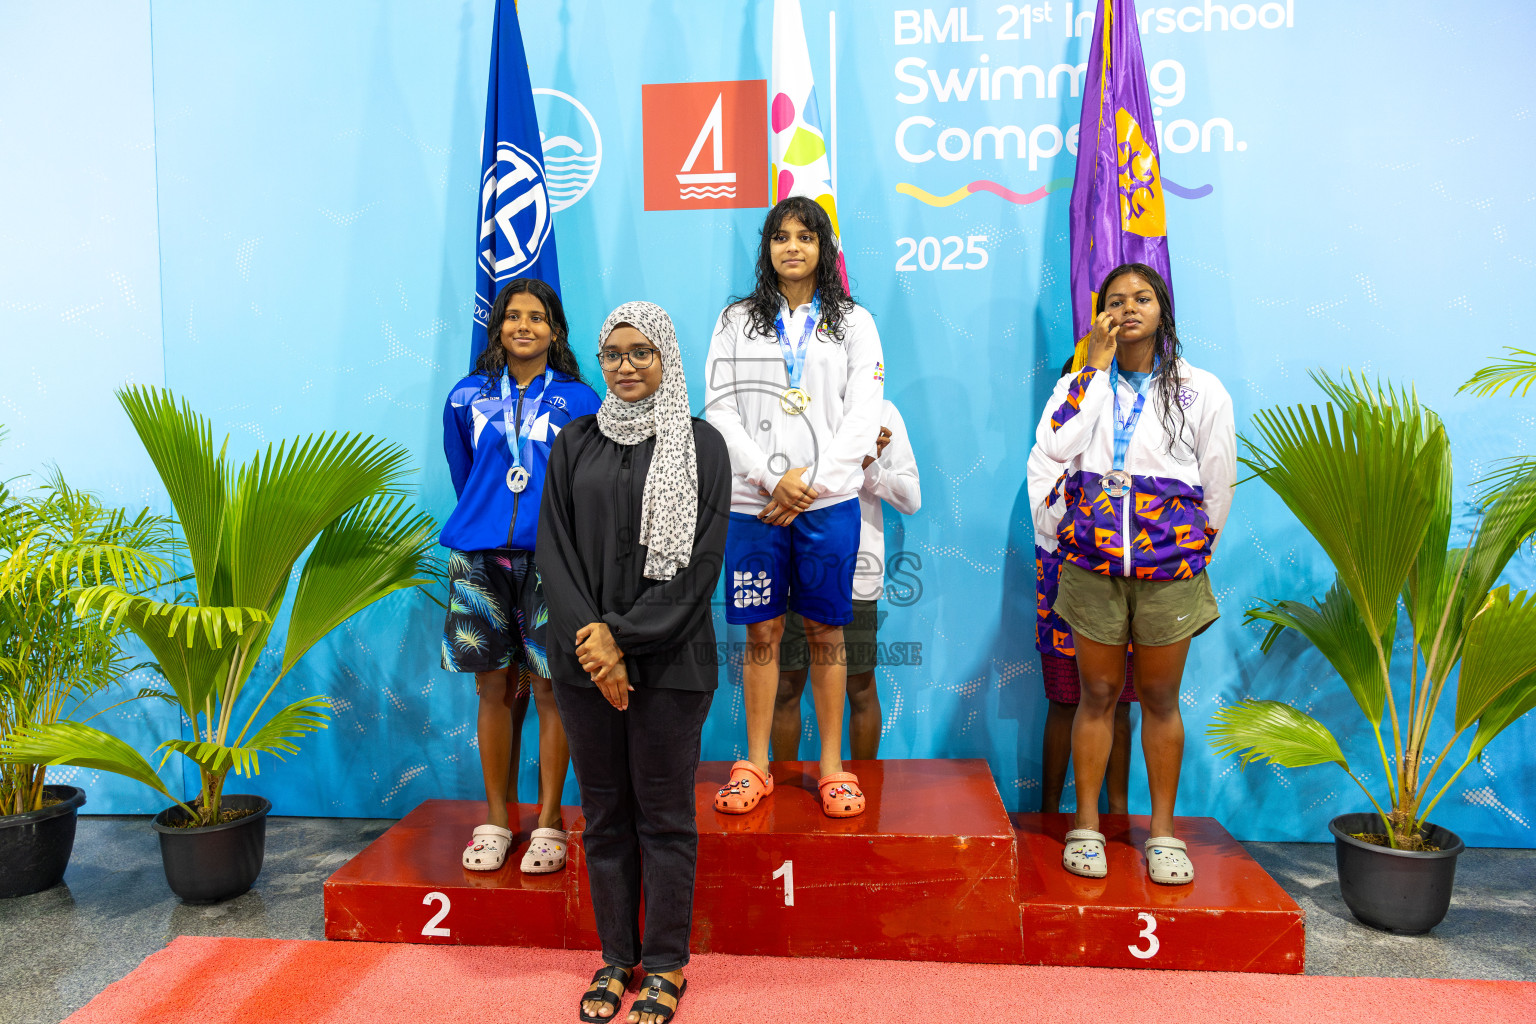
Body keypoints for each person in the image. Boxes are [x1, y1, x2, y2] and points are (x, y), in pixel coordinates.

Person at [538, 302, 729, 1024]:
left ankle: (668, 964)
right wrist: (594, 641)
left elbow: (700, 565)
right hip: (583, 663)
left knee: (666, 818)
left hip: (671, 663)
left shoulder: (701, 444)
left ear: (667, 358)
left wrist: (620, 637)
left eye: (642, 352)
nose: (625, 365)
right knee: (608, 817)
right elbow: (552, 549)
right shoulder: (574, 442)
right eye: (613, 352)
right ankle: (618, 957)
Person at [1030, 263, 1235, 885]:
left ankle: (1164, 833)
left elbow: (1218, 480)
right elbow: (1054, 444)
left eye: (1141, 298)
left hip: (1169, 568)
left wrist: (1190, 546)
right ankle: (1086, 825)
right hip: (1093, 566)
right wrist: (1090, 368)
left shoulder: (1201, 390)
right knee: (1095, 696)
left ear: (1162, 309)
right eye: (1114, 301)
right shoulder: (1085, 383)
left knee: (1159, 699)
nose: (1127, 308)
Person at [704, 195, 885, 818]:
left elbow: (866, 413)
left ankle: (832, 768)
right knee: (762, 631)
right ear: (767, 248)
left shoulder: (855, 323)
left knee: (827, 632)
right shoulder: (736, 321)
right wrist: (768, 477)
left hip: (827, 503)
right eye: (780, 237)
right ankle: (755, 763)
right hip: (754, 504)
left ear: (824, 248)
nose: (792, 247)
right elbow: (719, 407)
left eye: (805, 237)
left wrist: (811, 483)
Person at [440, 278, 601, 874]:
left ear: (555, 330)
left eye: (537, 316)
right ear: (498, 327)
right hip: (478, 557)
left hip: (551, 559)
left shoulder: (582, 400)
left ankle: (550, 821)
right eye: (513, 316)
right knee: (492, 688)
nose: (524, 326)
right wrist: (490, 521)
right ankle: (497, 819)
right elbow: (465, 476)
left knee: (550, 688)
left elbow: (586, 484)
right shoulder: (465, 397)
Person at [772, 399, 920, 762]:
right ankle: (785, 798)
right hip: (790, 568)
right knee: (786, 688)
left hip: (853, 574)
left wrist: (868, 467)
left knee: (859, 687)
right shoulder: (786, 406)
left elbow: (911, 498)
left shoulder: (880, 412)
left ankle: (862, 789)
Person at [1028, 439, 1135, 815]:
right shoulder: (1048, 452)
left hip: (1121, 582)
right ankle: (1049, 813)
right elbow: (1046, 519)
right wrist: (1086, 486)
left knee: (1119, 704)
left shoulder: (1128, 444)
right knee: (1063, 701)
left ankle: (1119, 816)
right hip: (1061, 584)